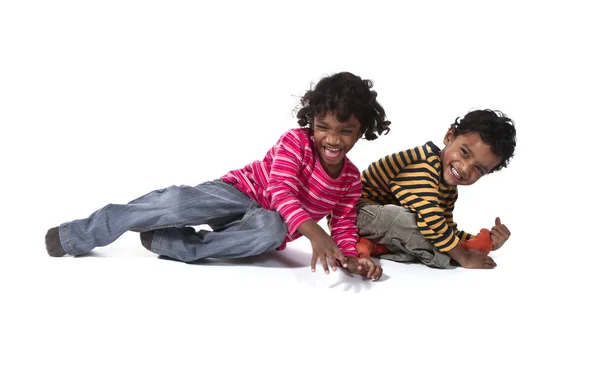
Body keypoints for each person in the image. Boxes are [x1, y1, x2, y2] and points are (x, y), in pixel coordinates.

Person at [45, 72, 391, 280]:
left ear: (362, 132)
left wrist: (353, 260)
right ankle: (80, 233)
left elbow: (344, 226)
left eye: (345, 131)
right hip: (240, 192)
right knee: (177, 203)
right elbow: (280, 188)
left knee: (272, 230)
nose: (332, 139)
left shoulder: (349, 180)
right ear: (311, 122)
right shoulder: (295, 142)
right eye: (323, 127)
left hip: (268, 222)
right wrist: (313, 230)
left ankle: (172, 244)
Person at [355, 109, 515, 269]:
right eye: (465, 153)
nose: (465, 169)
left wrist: (488, 242)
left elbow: (446, 227)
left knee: (429, 231)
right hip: (356, 215)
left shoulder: (449, 188)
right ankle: (452, 255)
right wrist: (464, 257)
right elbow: (432, 220)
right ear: (449, 136)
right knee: (415, 223)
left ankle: (370, 246)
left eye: (479, 169)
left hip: (381, 224)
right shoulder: (425, 164)